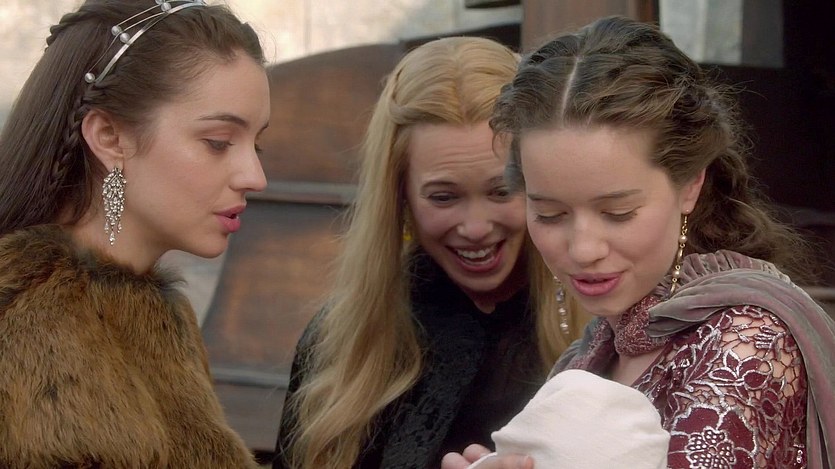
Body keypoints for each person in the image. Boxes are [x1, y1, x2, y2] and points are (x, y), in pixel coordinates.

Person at [443, 15, 835, 469]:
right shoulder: (596, 348)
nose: (583, 249)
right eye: (550, 214)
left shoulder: (747, 344)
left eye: (618, 212)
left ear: (690, 184)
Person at [272, 36, 588, 469]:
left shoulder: (607, 324)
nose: (475, 228)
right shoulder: (337, 342)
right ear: (399, 196)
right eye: (444, 197)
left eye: (501, 190)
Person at [0, 0, 270, 466]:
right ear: (109, 137)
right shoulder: (23, 321)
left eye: (257, 145)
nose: (255, 177)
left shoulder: (166, 319)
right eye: (219, 143)